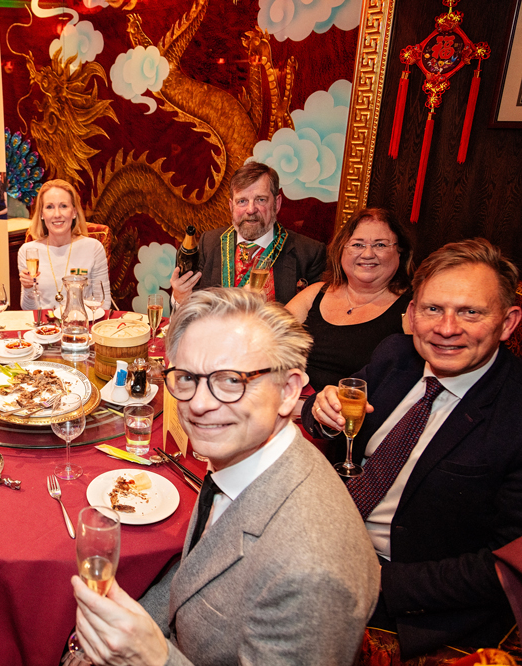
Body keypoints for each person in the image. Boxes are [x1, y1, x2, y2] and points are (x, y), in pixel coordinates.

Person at [72, 288, 379, 665]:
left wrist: (153, 656)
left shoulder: (313, 570)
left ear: (288, 392)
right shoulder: (241, 457)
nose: (200, 404)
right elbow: (193, 578)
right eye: (187, 377)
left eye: (232, 380)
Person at [302, 238, 522, 657]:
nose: (446, 328)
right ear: (412, 313)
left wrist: (377, 580)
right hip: (325, 534)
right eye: (433, 309)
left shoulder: (514, 412)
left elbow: (506, 564)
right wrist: (322, 411)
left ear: (508, 322)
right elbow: (328, 418)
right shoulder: (395, 356)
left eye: (470, 312)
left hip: (404, 593)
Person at [286, 207, 414, 391]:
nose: (368, 254)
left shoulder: (411, 309)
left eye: (380, 245)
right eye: (357, 245)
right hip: (293, 400)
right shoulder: (315, 293)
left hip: (354, 407)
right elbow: (266, 340)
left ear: (400, 251)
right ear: (341, 250)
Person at [171, 161, 326, 306]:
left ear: (277, 204)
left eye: (260, 199)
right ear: (231, 206)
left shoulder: (309, 253)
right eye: (242, 201)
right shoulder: (208, 243)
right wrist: (180, 297)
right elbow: (192, 308)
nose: (251, 210)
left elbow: (314, 319)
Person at [17, 179, 110, 311]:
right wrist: (28, 288)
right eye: (49, 207)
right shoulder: (28, 251)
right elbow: (28, 310)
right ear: (42, 214)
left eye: (63, 206)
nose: (57, 214)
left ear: (74, 212)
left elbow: (104, 304)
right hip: (44, 324)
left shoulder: (94, 248)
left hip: (82, 322)